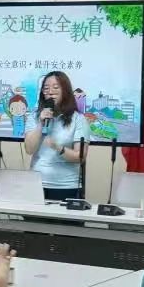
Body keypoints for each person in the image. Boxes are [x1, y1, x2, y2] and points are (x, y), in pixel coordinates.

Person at [23, 71, 91, 201]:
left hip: (66, 186)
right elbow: (29, 149)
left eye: (55, 87)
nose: (50, 92)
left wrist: (57, 147)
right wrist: (40, 124)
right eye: (46, 88)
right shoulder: (34, 117)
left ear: (65, 91)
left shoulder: (78, 119)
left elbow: (80, 157)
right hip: (36, 184)